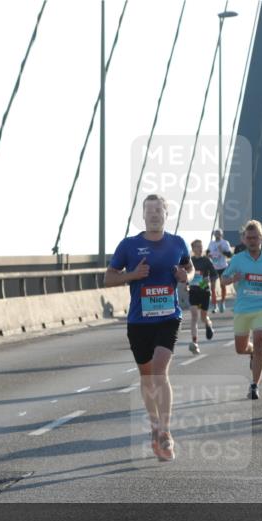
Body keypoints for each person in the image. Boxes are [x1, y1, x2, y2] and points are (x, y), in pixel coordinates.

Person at [105, 194, 192, 462]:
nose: (154, 214)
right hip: (139, 321)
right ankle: (154, 425)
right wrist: (132, 275)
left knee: (159, 369)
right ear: (142, 215)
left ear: (167, 214)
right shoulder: (129, 245)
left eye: (159, 210)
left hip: (168, 317)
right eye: (149, 210)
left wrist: (185, 276)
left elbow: (190, 267)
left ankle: (165, 431)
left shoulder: (177, 243)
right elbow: (108, 278)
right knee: (146, 377)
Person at [219, 220, 262, 400]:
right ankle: (251, 351)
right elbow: (223, 279)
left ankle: (254, 385)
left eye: (255, 237)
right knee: (241, 348)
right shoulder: (238, 259)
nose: (252, 241)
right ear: (244, 240)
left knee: (260, 342)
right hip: (242, 308)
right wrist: (232, 279)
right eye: (249, 238)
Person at [187, 239, 216, 354]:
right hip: (193, 291)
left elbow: (213, 276)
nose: (199, 248)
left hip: (204, 291)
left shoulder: (206, 261)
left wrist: (205, 285)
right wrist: (187, 283)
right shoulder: (190, 261)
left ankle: (208, 325)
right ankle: (195, 343)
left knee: (203, 317)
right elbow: (186, 275)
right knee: (194, 315)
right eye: (197, 247)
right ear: (193, 249)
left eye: (201, 246)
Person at [207, 229, 233, 313]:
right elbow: (207, 253)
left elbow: (230, 255)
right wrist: (209, 255)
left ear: (222, 234)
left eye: (218, 233)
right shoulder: (211, 243)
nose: (217, 235)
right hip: (213, 267)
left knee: (223, 286)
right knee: (212, 287)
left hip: (223, 267)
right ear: (214, 234)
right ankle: (215, 306)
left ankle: (222, 303)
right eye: (216, 233)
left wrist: (222, 251)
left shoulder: (225, 243)